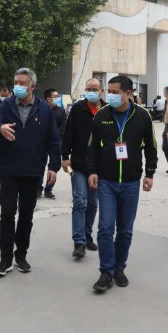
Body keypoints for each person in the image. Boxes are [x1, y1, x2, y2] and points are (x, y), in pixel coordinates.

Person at [0, 68, 60, 277]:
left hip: (32, 172)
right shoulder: (5, 106)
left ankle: (21, 256)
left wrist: (53, 167)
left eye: (22, 83)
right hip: (8, 170)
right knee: (7, 214)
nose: (17, 86)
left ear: (32, 86)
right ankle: (5, 259)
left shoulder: (44, 109)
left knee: (26, 216)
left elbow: (53, 140)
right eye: (15, 82)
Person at [86, 75, 157, 292]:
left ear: (128, 93)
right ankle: (106, 272)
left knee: (125, 230)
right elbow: (92, 146)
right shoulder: (102, 115)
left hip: (130, 182)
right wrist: (92, 171)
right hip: (106, 181)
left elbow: (151, 146)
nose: (111, 96)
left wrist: (150, 173)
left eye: (115, 92)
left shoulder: (142, 116)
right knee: (105, 228)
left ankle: (119, 268)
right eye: (109, 91)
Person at [61, 77, 105, 258]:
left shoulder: (107, 110)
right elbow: (68, 133)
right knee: (80, 200)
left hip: (99, 166)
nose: (91, 91)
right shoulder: (78, 109)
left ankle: (87, 235)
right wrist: (65, 157)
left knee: (93, 203)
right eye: (88, 88)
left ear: (101, 91)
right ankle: (78, 242)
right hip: (79, 163)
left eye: (95, 89)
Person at [39, 87, 67, 199]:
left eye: (58, 96)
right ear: (48, 99)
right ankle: (38, 188)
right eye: (55, 97)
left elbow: (64, 126)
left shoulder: (61, 111)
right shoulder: (40, 110)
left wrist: (54, 134)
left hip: (56, 142)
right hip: (41, 142)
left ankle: (48, 189)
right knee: (40, 165)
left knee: (54, 165)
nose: (57, 98)